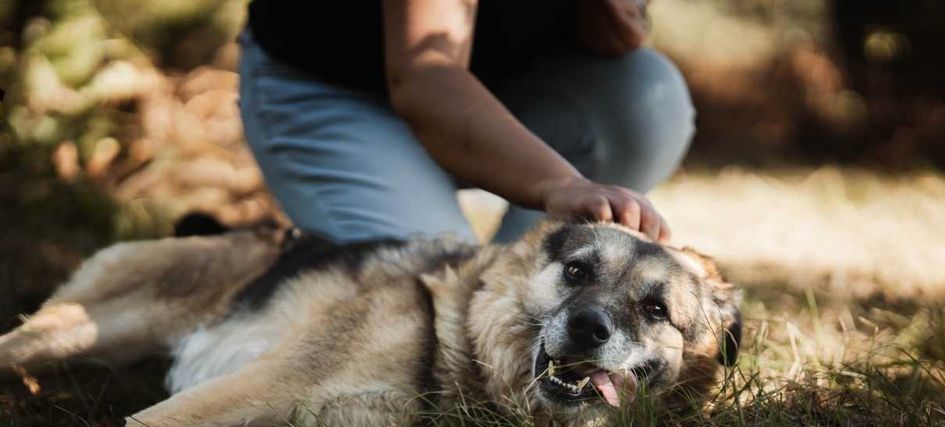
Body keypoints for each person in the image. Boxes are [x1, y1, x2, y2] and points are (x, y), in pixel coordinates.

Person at [238, 0, 695, 245]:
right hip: (332, 88)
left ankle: (522, 277)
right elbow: (426, 75)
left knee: (645, 95)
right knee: (433, 289)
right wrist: (561, 184)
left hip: (493, 86)